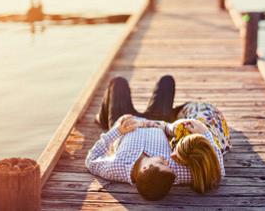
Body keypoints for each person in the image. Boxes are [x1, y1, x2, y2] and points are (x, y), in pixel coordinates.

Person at [85, 75, 224, 200]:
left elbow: (91, 160)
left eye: (162, 163)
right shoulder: (172, 172)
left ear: (145, 169)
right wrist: (205, 134)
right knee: (167, 81)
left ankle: (102, 118)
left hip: (126, 120)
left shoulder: (116, 168)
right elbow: (218, 173)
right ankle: (171, 112)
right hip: (159, 121)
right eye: (167, 164)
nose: (168, 161)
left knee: (118, 82)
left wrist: (117, 131)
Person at [146, 102, 231, 193]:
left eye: (179, 158)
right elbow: (164, 126)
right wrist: (142, 123)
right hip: (196, 108)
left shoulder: (209, 157)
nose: (171, 156)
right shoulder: (183, 128)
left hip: (213, 119)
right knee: (162, 115)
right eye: (176, 150)